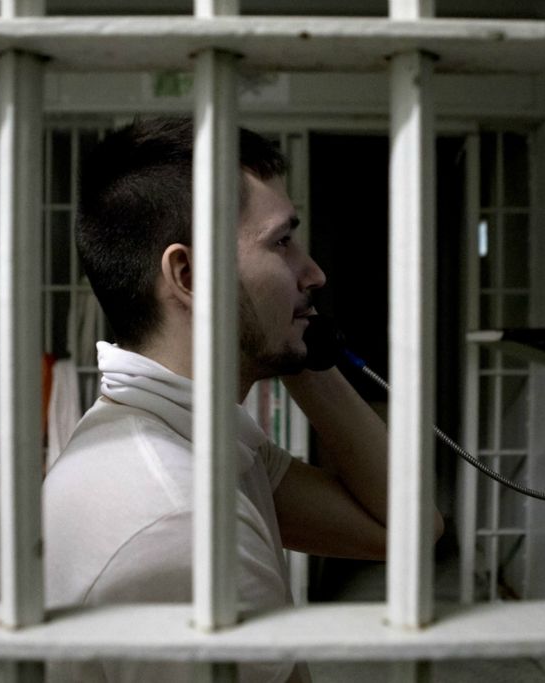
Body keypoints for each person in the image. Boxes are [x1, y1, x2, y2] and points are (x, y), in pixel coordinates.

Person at [43, 118, 443, 683]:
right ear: (189, 275)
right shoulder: (179, 519)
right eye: (282, 243)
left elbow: (407, 529)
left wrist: (298, 346)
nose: (314, 273)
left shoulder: (182, 433)